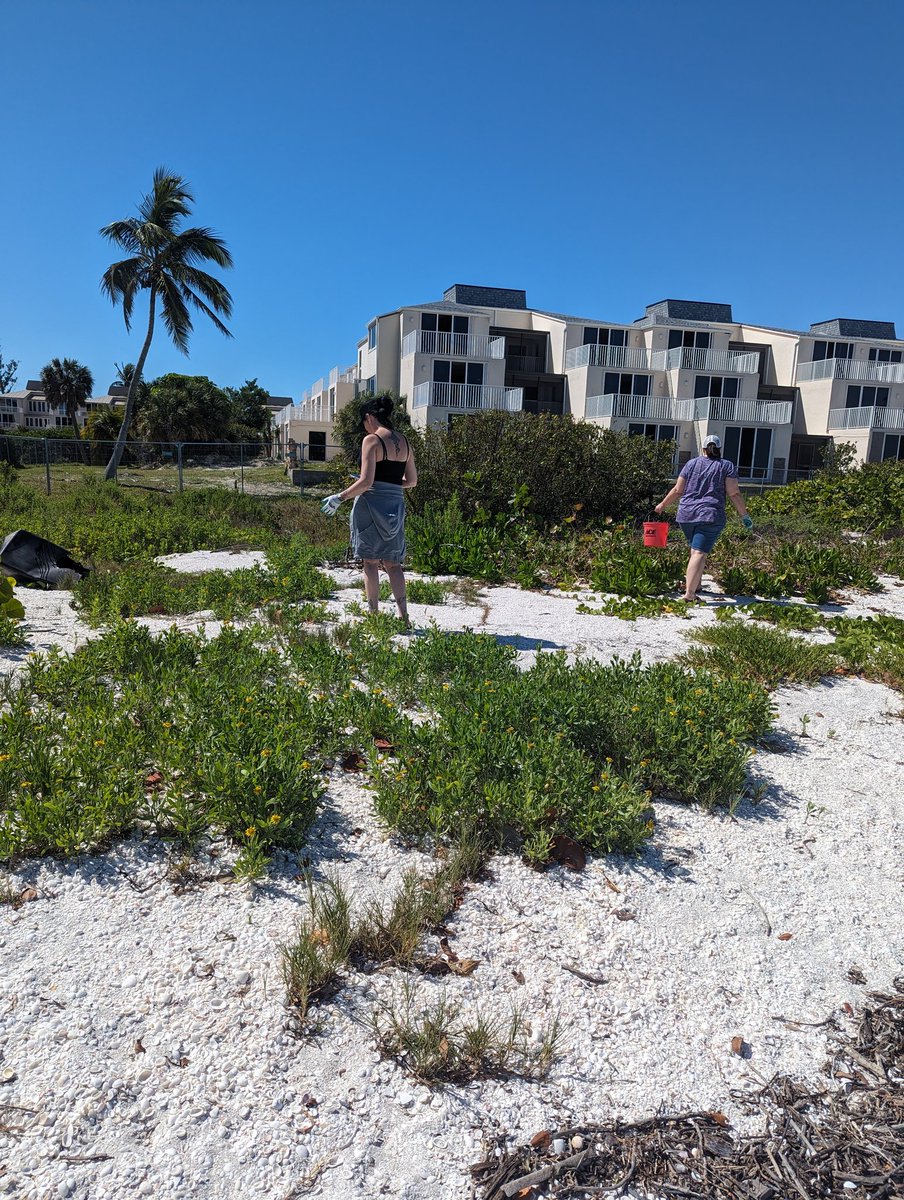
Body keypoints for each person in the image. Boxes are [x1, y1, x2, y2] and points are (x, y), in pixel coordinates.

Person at [321, 396, 417, 625]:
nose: (364, 426)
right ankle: (404, 617)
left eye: (363, 421)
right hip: (395, 506)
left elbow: (365, 482)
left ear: (369, 417)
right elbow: (412, 481)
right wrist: (391, 486)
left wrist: (339, 497)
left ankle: (373, 616)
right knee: (394, 564)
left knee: (371, 562)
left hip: (370, 505)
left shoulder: (371, 440)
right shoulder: (405, 442)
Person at [653, 434, 753, 602]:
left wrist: (662, 505)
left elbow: (678, 490)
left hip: (685, 515)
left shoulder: (691, 464)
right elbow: (734, 493)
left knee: (695, 550)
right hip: (709, 515)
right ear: (719, 449)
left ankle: (696, 585)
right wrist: (744, 515)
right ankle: (690, 595)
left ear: (703, 449)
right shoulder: (726, 465)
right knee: (699, 552)